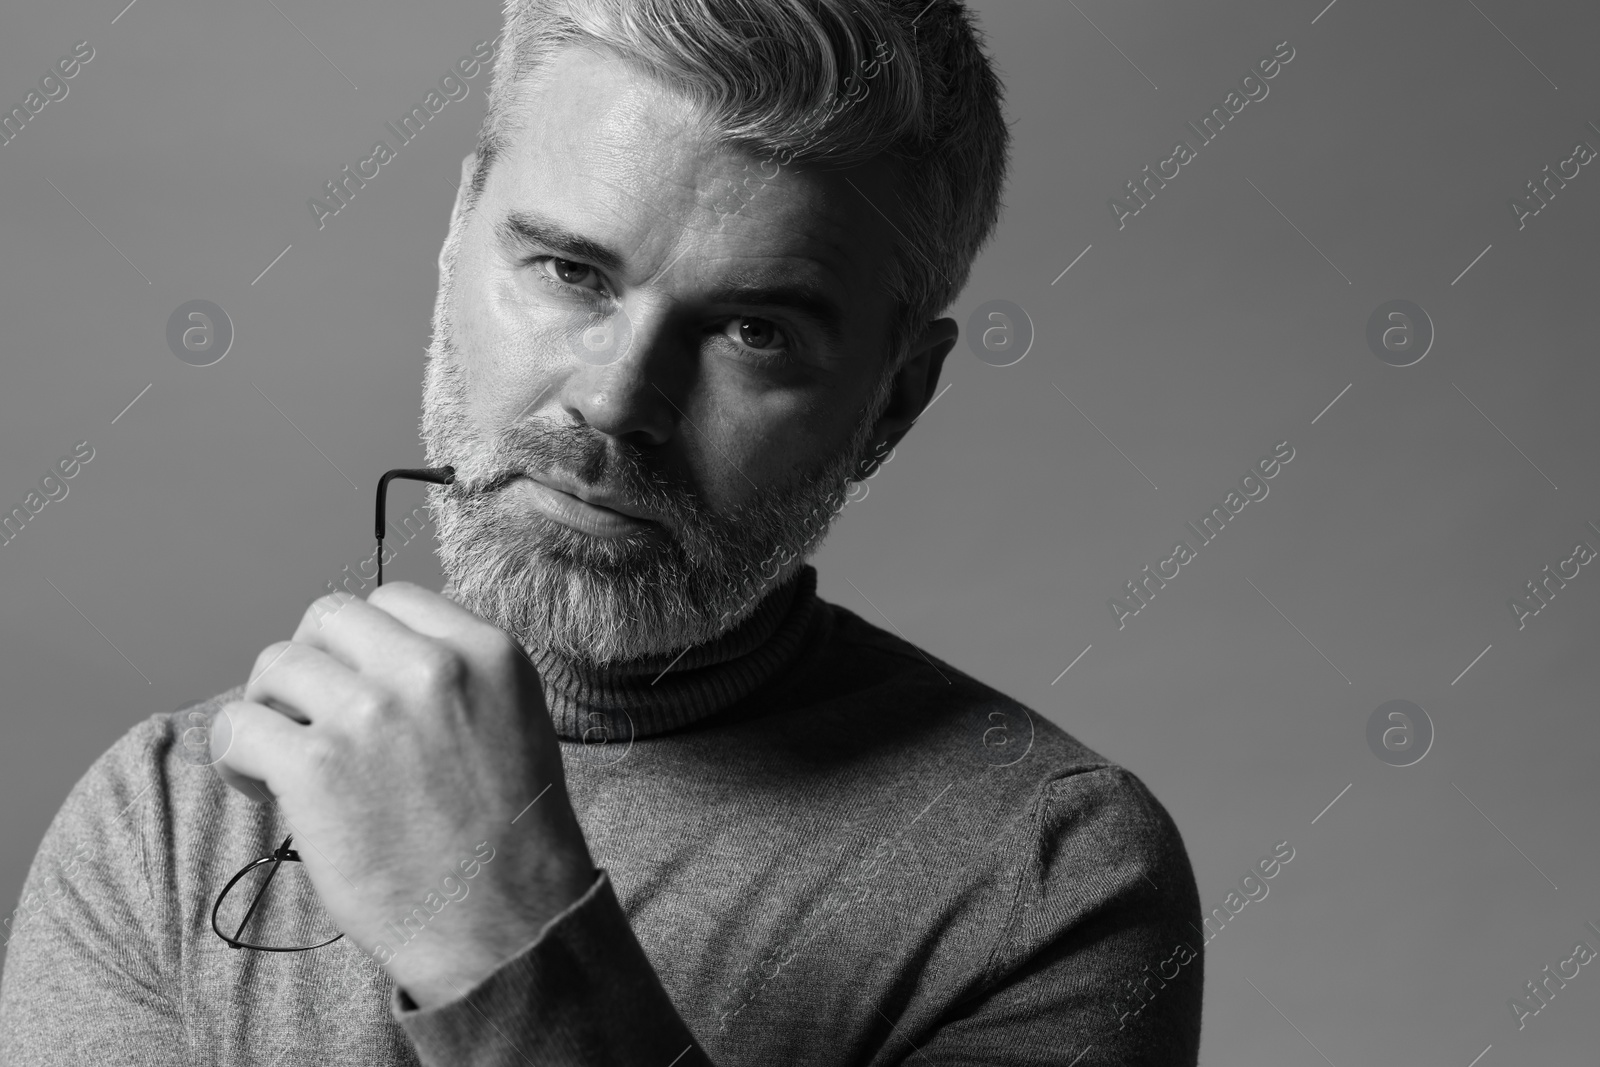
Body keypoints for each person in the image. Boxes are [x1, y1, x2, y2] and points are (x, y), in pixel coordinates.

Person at [0, 0, 1204, 1062]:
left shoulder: (1044, 879)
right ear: (454, 238)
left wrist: (500, 922)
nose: (618, 402)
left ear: (892, 399)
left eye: (755, 332)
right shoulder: (166, 822)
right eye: (571, 272)